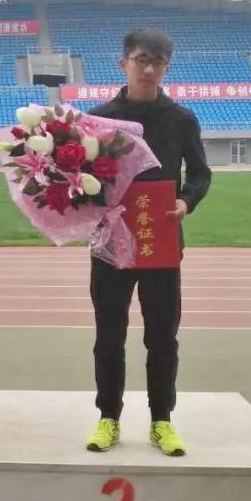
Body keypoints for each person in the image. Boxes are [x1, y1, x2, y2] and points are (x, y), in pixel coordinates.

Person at [84, 28, 211, 456]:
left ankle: (162, 420)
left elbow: (200, 174)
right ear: (124, 64)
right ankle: (108, 417)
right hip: (111, 244)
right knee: (109, 334)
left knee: (162, 337)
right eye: (142, 60)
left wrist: (185, 201)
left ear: (166, 68)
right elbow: (86, 179)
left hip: (161, 241)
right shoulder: (100, 119)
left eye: (158, 63)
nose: (149, 70)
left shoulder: (180, 119)